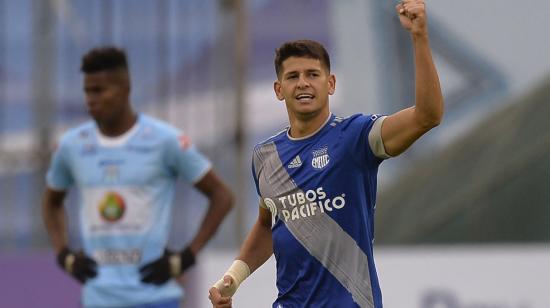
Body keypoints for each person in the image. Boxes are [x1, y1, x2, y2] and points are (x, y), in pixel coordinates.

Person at [208, 1, 443, 307]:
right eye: (292, 76)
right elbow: (268, 223)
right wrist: (233, 278)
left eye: (312, 74)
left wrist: (419, 37)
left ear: (330, 84)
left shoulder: (357, 137)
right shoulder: (265, 156)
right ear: (279, 89)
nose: (303, 82)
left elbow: (428, 115)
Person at [42, 46, 233, 308]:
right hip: (98, 300)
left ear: (125, 89)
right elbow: (51, 202)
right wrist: (64, 255)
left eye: (99, 90)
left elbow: (222, 196)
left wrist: (186, 257)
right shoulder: (72, 145)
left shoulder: (165, 140)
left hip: (155, 299)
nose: (90, 99)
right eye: (87, 90)